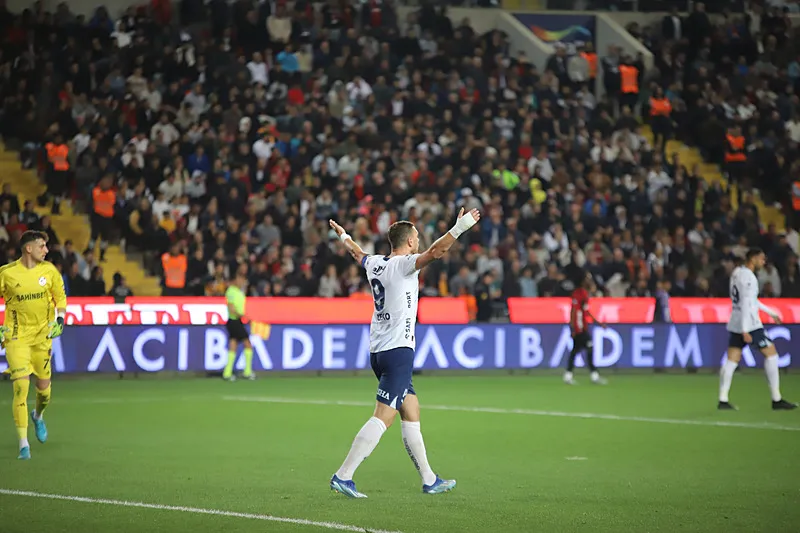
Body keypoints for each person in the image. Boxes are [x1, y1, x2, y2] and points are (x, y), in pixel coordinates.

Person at [328, 208, 480, 498]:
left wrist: (344, 234)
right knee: (384, 416)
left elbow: (355, 253)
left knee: (411, 409)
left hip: (379, 350)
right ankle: (343, 475)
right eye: (417, 237)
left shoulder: (374, 263)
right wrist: (460, 227)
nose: (420, 241)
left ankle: (429, 479)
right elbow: (437, 251)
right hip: (398, 350)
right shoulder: (404, 265)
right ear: (409, 241)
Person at [0, 231, 67, 460]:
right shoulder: (7, 274)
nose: (46, 250)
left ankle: (37, 416)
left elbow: (61, 297)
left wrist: (60, 319)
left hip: (42, 338)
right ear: (28, 249)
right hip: (16, 338)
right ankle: (23, 444)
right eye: (42, 246)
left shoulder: (49, 271)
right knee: (20, 388)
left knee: (44, 390)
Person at [719, 248, 797, 411]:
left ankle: (723, 399)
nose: (763, 262)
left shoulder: (736, 273)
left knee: (732, 359)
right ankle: (776, 399)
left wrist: (770, 312)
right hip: (750, 324)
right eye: (761, 259)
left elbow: (749, 301)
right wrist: (746, 329)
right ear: (752, 259)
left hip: (735, 320)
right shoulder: (749, 278)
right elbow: (747, 304)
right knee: (772, 355)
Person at [564, 272, 607, 385]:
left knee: (575, 351)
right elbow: (574, 311)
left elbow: (585, 311)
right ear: (582, 281)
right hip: (580, 329)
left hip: (581, 327)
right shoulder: (579, 294)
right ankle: (594, 375)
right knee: (589, 349)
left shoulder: (582, 293)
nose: (589, 280)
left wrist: (598, 323)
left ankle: (568, 375)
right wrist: (573, 328)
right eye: (587, 278)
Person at [222, 269, 254, 381]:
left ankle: (227, 372)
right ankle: (247, 371)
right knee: (248, 344)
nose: (242, 282)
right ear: (235, 280)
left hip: (237, 321)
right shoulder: (230, 291)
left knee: (233, 344)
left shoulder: (240, 292)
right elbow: (231, 308)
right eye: (240, 279)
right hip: (234, 321)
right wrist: (243, 316)